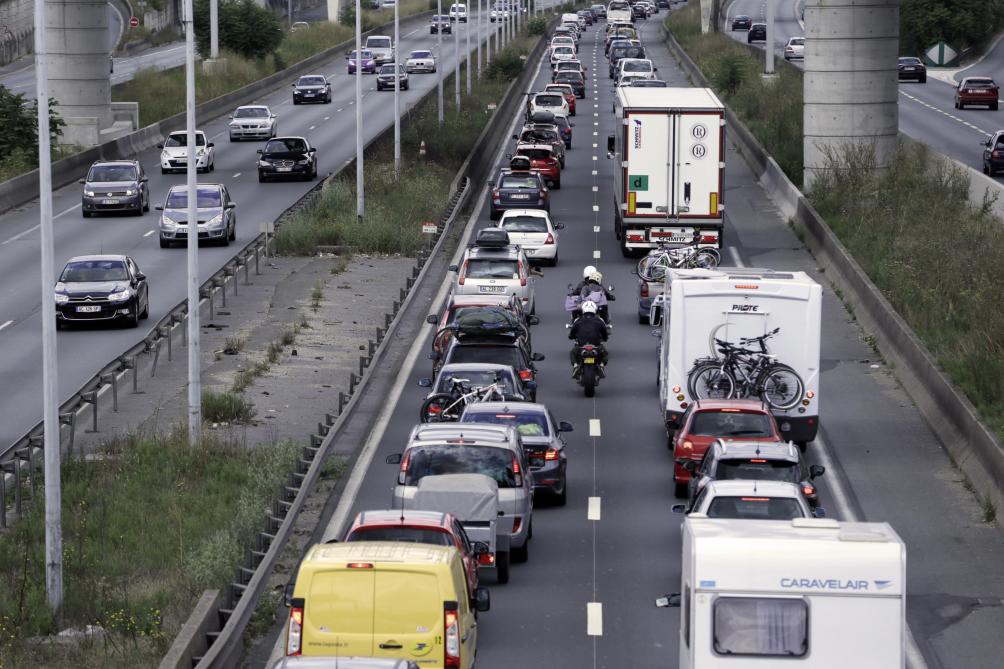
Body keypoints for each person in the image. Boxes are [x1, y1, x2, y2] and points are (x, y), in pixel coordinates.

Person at [568, 300, 609, 375]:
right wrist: (605, 338)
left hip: (581, 346)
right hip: (596, 346)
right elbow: (605, 334)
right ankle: (601, 365)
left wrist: (571, 336)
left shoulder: (578, 321)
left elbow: (571, 334)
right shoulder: (599, 321)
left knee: (572, 353)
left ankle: (576, 365)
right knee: (605, 353)